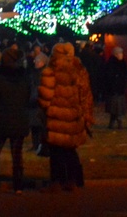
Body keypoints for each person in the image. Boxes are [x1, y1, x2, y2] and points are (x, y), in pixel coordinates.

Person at [37, 41, 93, 191]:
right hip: (73, 116)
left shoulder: (51, 71)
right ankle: (73, 180)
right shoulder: (78, 69)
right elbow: (85, 94)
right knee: (70, 150)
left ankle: (57, 181)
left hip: (56, 117)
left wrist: (46, 109)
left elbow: (45, 96)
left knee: (56, 152)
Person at [0, 45, 30, 193]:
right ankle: (18, 185)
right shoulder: (24, 76)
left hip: (2, 118)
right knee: (17, 154)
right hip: (19, 117)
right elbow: (28, 96)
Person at [103, 47, 127, 129]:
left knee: (115, 107)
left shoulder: (120, 63)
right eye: (120, 53)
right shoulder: (113, 63)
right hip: (115, 89)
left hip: (118, 89)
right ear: (116, 54)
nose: (121, 55)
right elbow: (110, 76)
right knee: (116, 106)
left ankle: (113, 121)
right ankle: (118, 122)